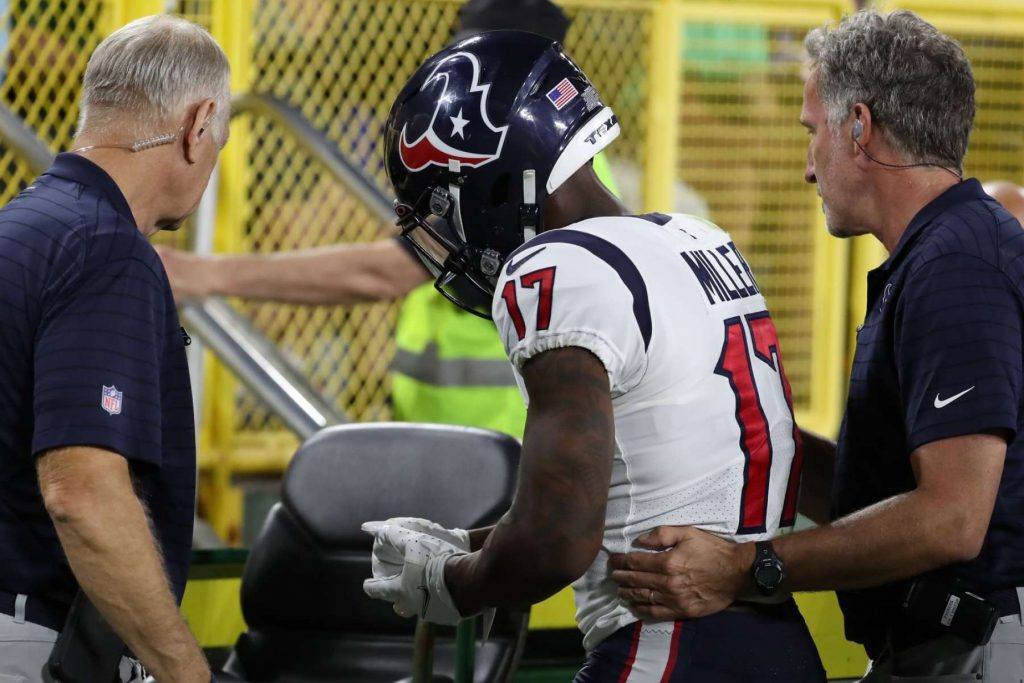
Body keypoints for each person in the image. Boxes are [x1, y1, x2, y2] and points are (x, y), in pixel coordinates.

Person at [361, 30, 826, 682]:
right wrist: (470, 546)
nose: (448, 235)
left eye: (444, 207)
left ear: (490, 179)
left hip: (666, 646)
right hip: (779, 644)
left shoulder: (552, 267)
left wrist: (454, 583)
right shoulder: (695, 238)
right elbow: (651, 478)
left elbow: (558, 538)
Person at [610, 9, 1024, 681]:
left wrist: (748, 566)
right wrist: (750, 435)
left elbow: (950, 517)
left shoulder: (956, 265)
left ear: (859, 127)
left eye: (812, 132)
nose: (808, 168)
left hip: (977, 653)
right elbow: (887, 488)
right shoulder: (943, 252)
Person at [156, 0, 618, 441]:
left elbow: (384, 271)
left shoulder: (522, 174)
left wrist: (204, 274)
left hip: (501, 440)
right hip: (450, 434)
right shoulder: (556, 164)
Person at [0, 15, 230, 682]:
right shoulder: (106, 249)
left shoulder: (18, 228)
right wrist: (187, 672)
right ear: (198, 125)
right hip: (32, 646)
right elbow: (81, 492)